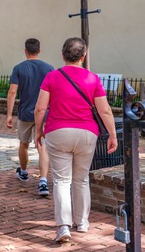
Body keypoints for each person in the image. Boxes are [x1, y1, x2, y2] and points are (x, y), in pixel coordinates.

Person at [34, 37, 118, 243]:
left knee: (62, 181)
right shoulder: (93, 79)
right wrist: (113, 134)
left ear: (63, 55)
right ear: (83, 56)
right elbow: (104, 110)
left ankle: (63, 226)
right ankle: (82, 222)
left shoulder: (52, 77)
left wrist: (38, 131)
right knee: (81, 179)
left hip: (58, 131)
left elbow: (40, 108)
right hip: (86, 133)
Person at [6, 38, 53, 196]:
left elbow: (12, 92)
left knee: (24, 144)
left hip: (25, 113)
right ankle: (43, 181)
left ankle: (24, 172)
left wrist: (9, 115)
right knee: (43, 147)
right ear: (39, 51)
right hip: (44, 113)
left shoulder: (19, 68)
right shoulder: (49, 68)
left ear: (25, 51)